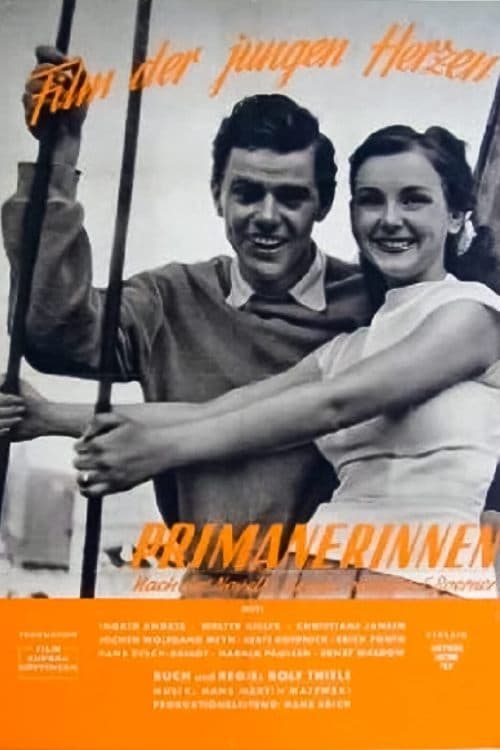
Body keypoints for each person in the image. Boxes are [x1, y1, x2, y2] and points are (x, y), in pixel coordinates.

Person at [71, 125, 500, 598]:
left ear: (456, 215)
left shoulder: (474, 315)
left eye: (414, 200)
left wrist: (162, 450)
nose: (390, 219)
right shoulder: (348, 348)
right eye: (371, 200)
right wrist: (47, 416)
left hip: (424, 587)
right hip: (307, 578)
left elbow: (336, 404)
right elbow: (213, 411)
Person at [2, 47, 371, 595]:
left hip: (333, 599)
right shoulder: (169, 298)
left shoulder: (373, 304)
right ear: (217, 195)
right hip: (210, 598)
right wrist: (59, 155)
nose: (267, 216)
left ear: (322, 205)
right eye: (247, 193)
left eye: (291, 197)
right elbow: (51, 335)